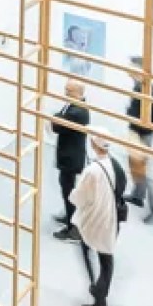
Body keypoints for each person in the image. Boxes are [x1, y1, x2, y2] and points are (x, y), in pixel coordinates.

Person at [72, 132, 125, 306]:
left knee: (88, 248)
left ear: (94, 145)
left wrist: (73, 196)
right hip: (111, 219)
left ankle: (99, 299)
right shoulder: (116, 165)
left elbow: (79, 196)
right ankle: (98, 294)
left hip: (95, 219)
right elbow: (122, 186)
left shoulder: (92, 170)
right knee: (106, 258)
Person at [125, 54, 153, 223]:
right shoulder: (140, 86)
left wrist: (130, 113)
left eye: (132, 68)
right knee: (135, 165)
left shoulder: (144, 88)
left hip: (141, 134)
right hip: (138, 131)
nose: (128, 71)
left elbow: (144, 113)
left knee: (143, 170)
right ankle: (138, 195)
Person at [51, 78, 91, 241]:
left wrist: (57, 117)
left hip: (71, 158)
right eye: (66, 89)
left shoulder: (78, 112)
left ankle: (73, 228)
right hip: (69, 156)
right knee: (68, 190)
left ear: (80, 93)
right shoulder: (73, 106)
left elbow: (57, 126)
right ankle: (71, 218)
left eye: (70, 91)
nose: (66, 93)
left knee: (69, 192)